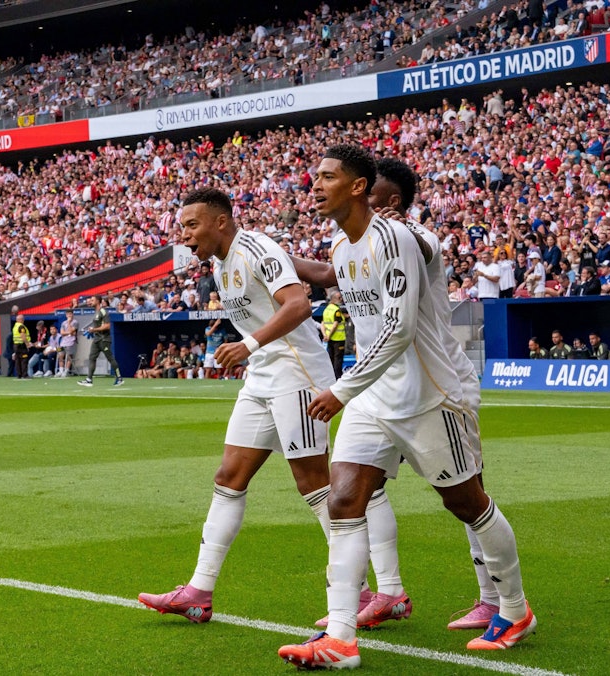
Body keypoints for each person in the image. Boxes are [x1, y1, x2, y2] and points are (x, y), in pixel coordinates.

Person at [278, 145, 534, 669]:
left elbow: (399, 328)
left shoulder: (398, 239)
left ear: (358, 187)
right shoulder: (343, 248)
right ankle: (342, 639)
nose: (315, 185)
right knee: (344, 500)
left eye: (327, 177)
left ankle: (513, 607)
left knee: (468, 503)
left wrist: (342, 389)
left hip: (431, 394)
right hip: (375, 396)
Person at [138, 187, 336, 625]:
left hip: (297, 372)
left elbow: (299, 303)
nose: (185, 235)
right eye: (182, 227)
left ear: (221, 222)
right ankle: (199, 591)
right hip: (263, 374)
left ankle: (355, 592)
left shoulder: (257, 247)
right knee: (229, 477)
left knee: (313, 483)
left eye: (192, 225)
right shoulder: (222, 263)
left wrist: (246, 344)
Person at [78, 295, 123, 386]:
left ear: (98, 301)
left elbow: (107, 326)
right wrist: (91, 331)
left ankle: (119, 378)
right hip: (97, 339)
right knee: (92, 357)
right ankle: (89, 380)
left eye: (92, 300)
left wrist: (94, 330)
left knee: (110, 358)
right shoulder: (96, 312)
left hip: (104, 339)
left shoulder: (103, 311)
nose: (90, 302)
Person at [321, 291, 347, 378]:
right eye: (339, 298)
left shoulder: (326, 309)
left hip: (329, 339)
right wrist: (329, 335)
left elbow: (323, 323)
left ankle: (331, 377)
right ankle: (337, 378)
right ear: (333, 299)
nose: (341, 299)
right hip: (338, 339)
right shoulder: (336, 310)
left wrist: (325, 335)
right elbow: (335, 324)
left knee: (331, 359)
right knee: (338, 360)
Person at [58, 308, 78, 376]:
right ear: (66, 315)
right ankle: (60, 370)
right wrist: (69, 333)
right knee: (60, 355)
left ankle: (66, 371)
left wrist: (69, 323)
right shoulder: (63, 323)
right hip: (63, 342)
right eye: (68, 314)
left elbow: (71, 331)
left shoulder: (75, 322)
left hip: (71, 342)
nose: (69, 315)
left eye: (70, 314)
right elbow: (62, 333)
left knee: (69, 356)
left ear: (72, 315)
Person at [12, 313, 32, 378]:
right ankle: (24, 374)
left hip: (16, 345)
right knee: (24, 359)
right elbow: (23, 335)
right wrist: (27, 344)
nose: (24, 320)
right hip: (21, 345)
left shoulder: (15, 326)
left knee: (18, 360)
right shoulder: (21, 326)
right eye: (23, 319)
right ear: (21, 320)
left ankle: (19, 374)